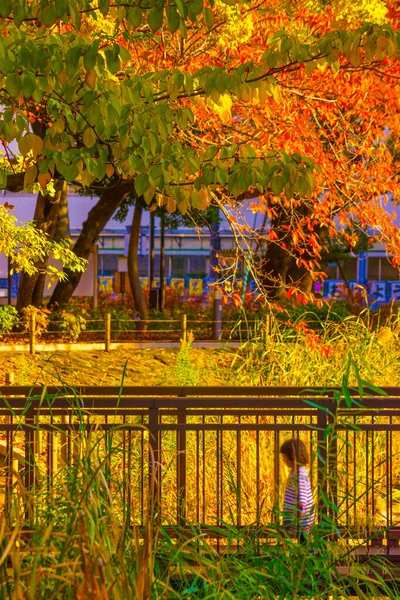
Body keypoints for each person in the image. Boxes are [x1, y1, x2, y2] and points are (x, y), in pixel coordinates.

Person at [280, 438, 314, 543]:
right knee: (300, 539)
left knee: (303, 540)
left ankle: (309, 557)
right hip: (295, 516)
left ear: (292, 457)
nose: (283, 460)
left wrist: (300, 513)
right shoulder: (294, 471)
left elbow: (302, 496)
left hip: (301, 518)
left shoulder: (300, 474)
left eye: (284, 457)